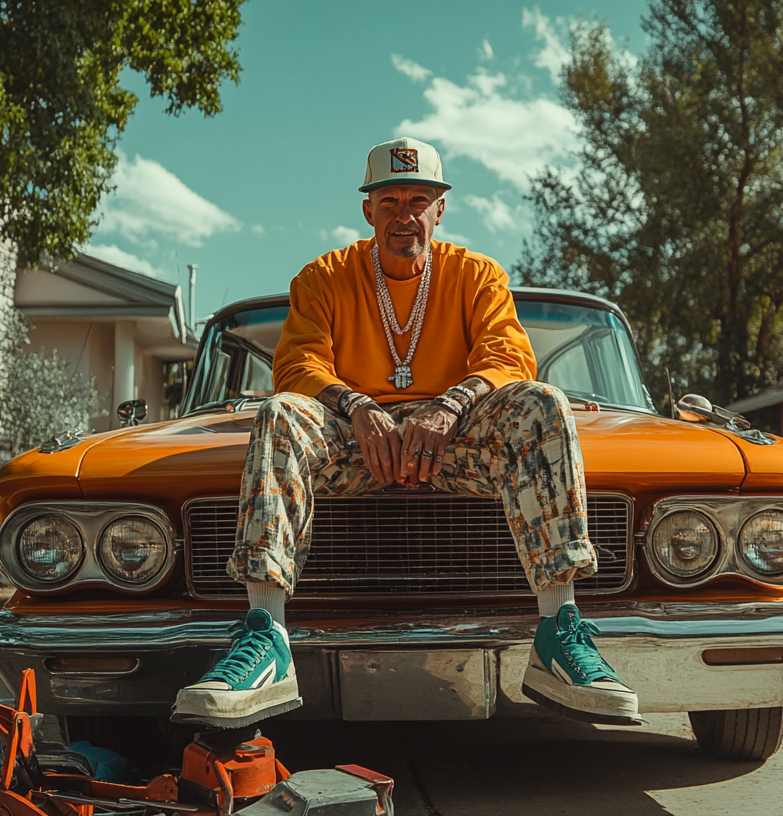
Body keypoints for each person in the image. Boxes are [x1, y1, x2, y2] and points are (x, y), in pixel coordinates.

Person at [171, 137, 640, 729]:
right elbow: (297, 367)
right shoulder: (323, 277)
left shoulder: (477, 275)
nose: (404, 215)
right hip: (350, 440)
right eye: (389, 200)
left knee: (544, 403)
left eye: (419, 199)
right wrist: (359, 407)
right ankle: (266, 637)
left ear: (440, 209)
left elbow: (508, 357)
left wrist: (447, 406)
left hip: (458, 442)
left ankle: (559, 630)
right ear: (368, 210)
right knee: (278, 412)